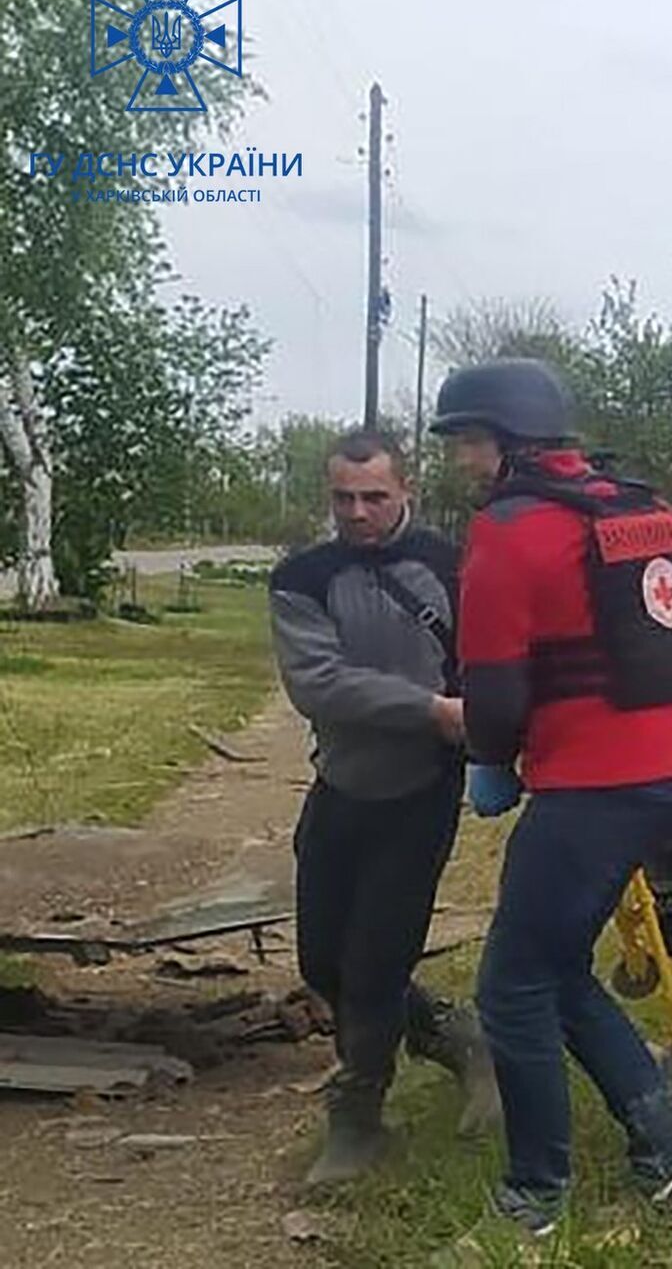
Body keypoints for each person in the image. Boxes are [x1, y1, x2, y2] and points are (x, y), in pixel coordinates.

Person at [435, 359, 672, 1237]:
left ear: (509, 441)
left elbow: (496, 689)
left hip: (586, 786)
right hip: (664, 772)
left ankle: (533, 1204)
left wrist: (489, 756)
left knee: (512, 987)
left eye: (467, 443)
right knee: (557, 970)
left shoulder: (509, 530)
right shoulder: (650, 511)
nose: (462, 463)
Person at [268, 428, 497, 1187]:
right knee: (321, 961)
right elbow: (319, 684)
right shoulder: (303, 577)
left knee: (373, 962)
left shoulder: (451, 565)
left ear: (406, 492)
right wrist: (435, 709)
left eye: (374, 496)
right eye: (343, 498)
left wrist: (485, 738)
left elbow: (491, 660)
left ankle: (359, 1123)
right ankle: (450, 1033)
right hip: (341, 785)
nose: (358, 512)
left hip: (421, 793)